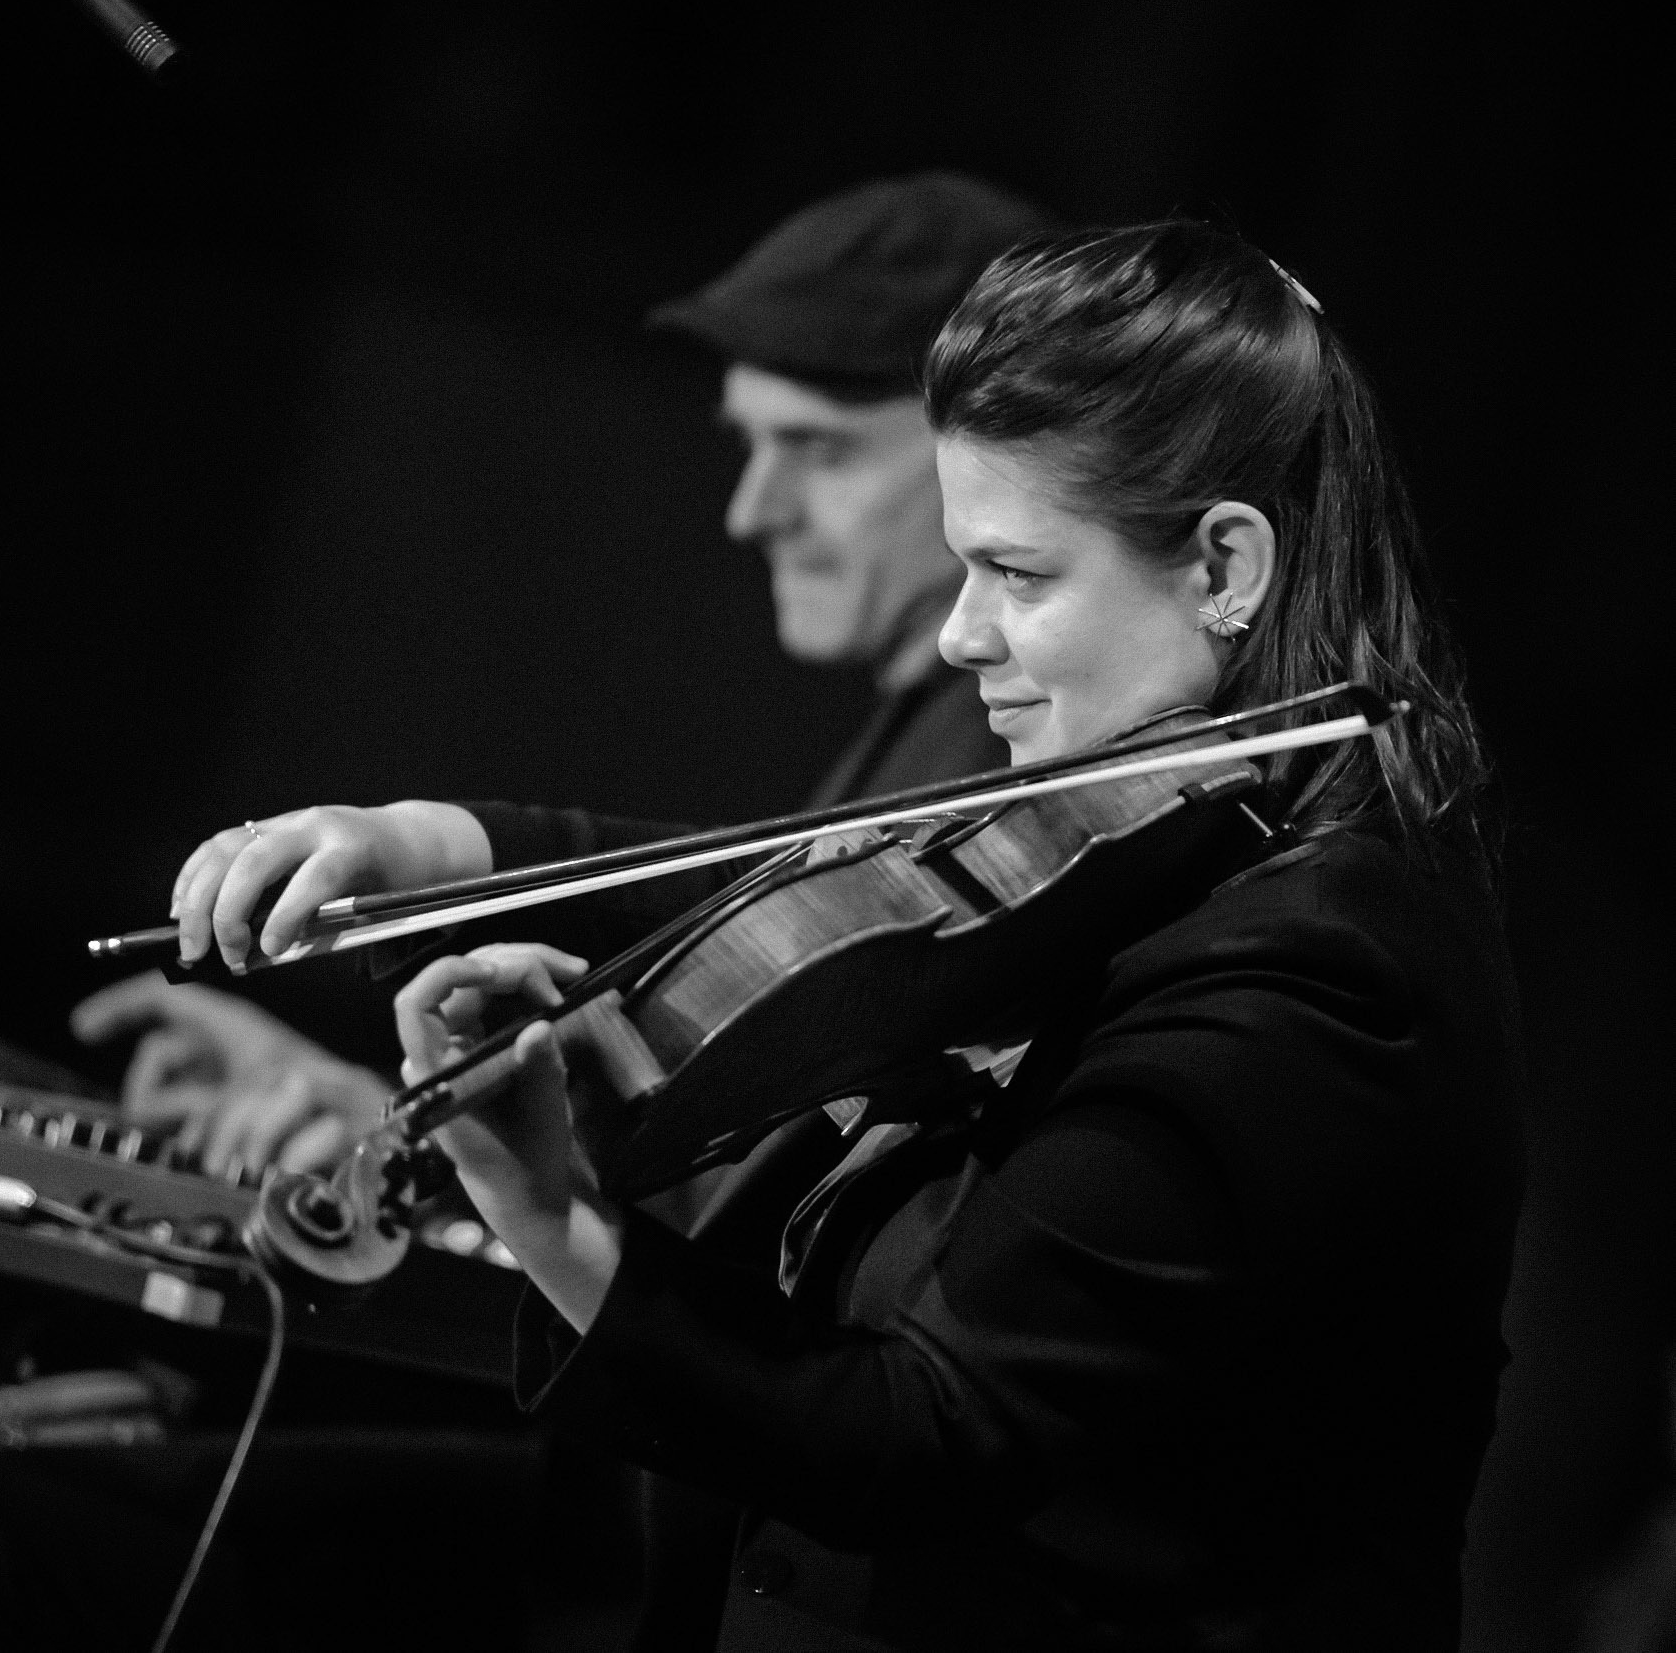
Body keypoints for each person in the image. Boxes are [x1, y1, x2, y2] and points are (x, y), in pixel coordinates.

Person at [353, 221, 1523, 1650]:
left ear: (1226, 564)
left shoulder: (1321, 970)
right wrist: (445, 854)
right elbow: (796, 905)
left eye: (1016, 573)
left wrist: (550, 1210)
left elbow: (923, 1428)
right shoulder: (1141, 849)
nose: (962, 632)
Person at [74, 173, 1057, 1177]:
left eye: (818, 448)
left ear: (990, 454)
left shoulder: (1010, 764)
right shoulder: (928, 736)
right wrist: (391, 1134)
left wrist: (429, 845)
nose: (753, 511)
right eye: (749, 443)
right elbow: (718, 1212)